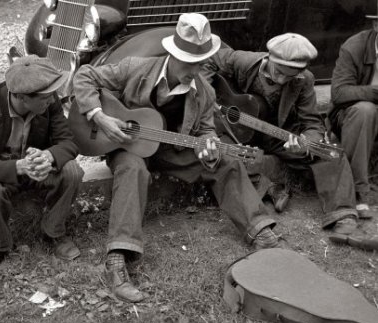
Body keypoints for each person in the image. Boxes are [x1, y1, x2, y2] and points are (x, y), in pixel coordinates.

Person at [73, 13, 282, 303]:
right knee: (133, 169)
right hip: (130, 147)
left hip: (174, 150)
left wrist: (209, 145)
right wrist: (99, 116)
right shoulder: (136, 68)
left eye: (199, 63)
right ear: (172, 54)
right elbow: (84, 76)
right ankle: (119, 256)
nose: (194, 70)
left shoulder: (204, 91)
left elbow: (207, 129)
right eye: (188, 61)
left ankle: (260, 231)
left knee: (227, 161)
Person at [207, 33, 360, 237]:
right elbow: (208, 59)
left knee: (329, 152)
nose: (280, 79)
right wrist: (208, 97)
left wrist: (306, 142)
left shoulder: (304, 80)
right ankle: (267, 189)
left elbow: (313, 123)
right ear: (269, 58)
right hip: (236, 130)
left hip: (278, 134)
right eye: (278, 71)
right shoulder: (243, 61)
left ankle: (342, 212)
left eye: (288, 76)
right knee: (218, 151)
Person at [0, 55, 84, 271]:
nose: (52, 100)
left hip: (37, 169)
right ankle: (1, 246)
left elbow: (69, 143)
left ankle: (54, 232)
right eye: (44, 98)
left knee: (73, 171)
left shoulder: (49, 101)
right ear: (21, 98)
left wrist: (49, 157)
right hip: (2, 173)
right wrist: (18, 166)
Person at [329, 10, 378, 219]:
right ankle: (357, 192)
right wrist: (375, 93)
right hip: (349, 115)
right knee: (365, 110)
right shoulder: (354, 47)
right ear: (376, 26)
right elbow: (339, 93)